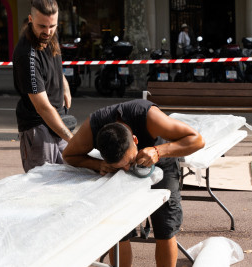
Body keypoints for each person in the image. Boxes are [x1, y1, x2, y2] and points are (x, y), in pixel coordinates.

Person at [63, 99, 205, 267]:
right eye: (121, 165)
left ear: (136, 140)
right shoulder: (92, 127)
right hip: (116, 176)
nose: (129, 168)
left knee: (165, 227)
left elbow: (197, 140)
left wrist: (159, 151)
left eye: (130, 162)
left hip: (161, 162)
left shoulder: (149, 117)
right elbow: (69, 155)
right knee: (118, 229)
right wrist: (98, 165)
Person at [13, 0, 73, 172]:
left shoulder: (51, 35)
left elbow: (54, 66)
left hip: (58, 120)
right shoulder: (26, 55)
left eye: (52, 26)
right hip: (38, 128)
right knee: (41, 187)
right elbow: (43, 108)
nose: (47, 31)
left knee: (68, 181)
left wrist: (65, 86)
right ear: (31, 19)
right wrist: (72, 139)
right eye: (42, 26)